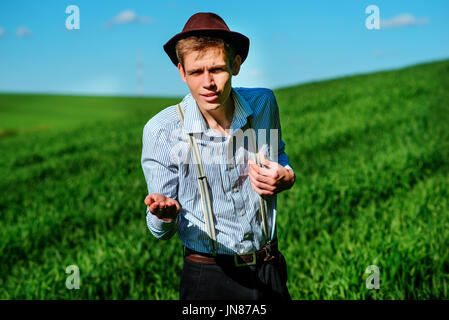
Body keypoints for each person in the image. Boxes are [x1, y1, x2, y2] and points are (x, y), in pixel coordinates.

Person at [141, 12, 295, 300]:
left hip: (269, 266)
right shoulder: (161, 131)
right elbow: (158, 231)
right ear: (181, 72)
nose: (208, 82)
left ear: (235, 65)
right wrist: (164, 215)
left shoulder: (264, 104)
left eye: (217, 69)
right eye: (197, 72)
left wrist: (286, 175)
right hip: (208, 277)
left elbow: (279, 156)